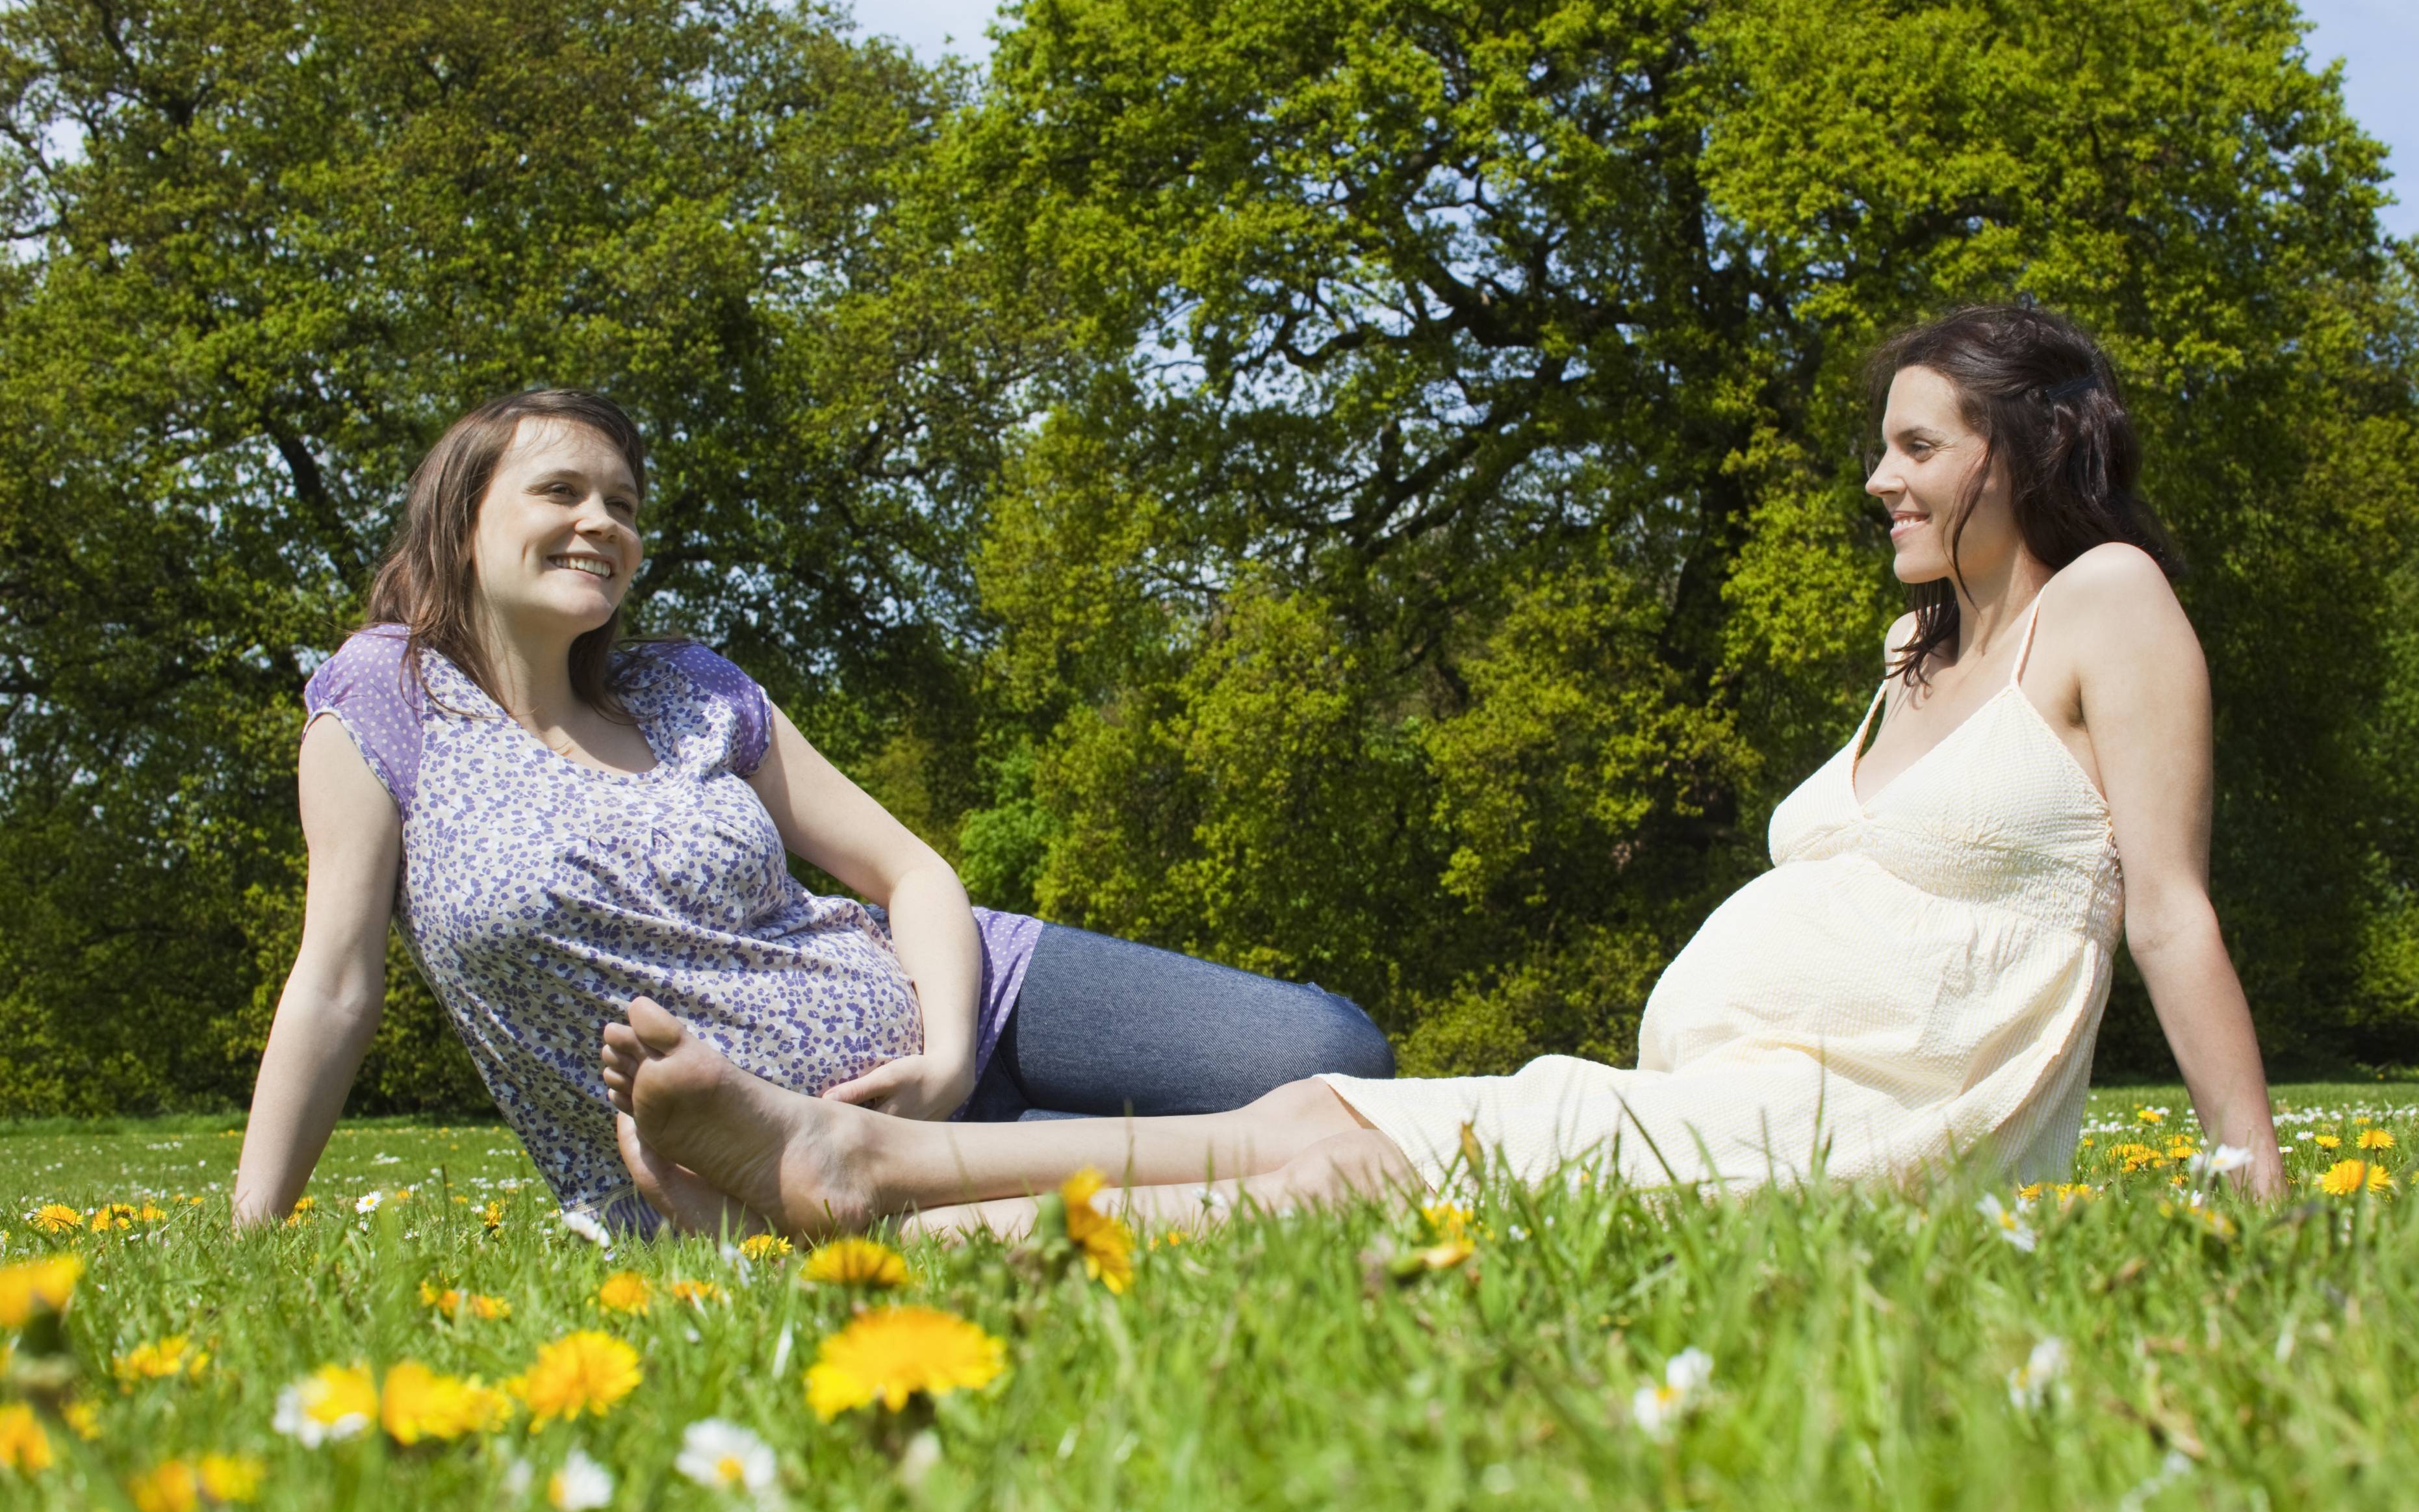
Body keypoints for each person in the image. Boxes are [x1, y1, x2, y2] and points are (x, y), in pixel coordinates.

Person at [595, 302, 2290, 1241]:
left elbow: (2171, 914)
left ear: (2022, 446)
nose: (1877, 479)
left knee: (1350, 1156)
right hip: (1754, 1096)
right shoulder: (1916, 646)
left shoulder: (2107, 605)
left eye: (1916, 445)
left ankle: (858, 1187)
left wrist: (2251, 1185)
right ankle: (857, 1183)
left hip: (1886, 1136)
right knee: (1303, 1124)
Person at [229, 390, 1393, 1233]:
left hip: (964, 1015)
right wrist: (253, 1228)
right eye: (561, 492)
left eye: (623, 504)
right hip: (738, 1157)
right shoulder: (389, 699)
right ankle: (909, 1174)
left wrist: (945, 1056)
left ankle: (970, 1144)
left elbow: (912, 873)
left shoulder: (686, 689)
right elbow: (336, 983)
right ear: (461, 520)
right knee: (1297, 1175)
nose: (603, 522)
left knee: (1336, 1053)